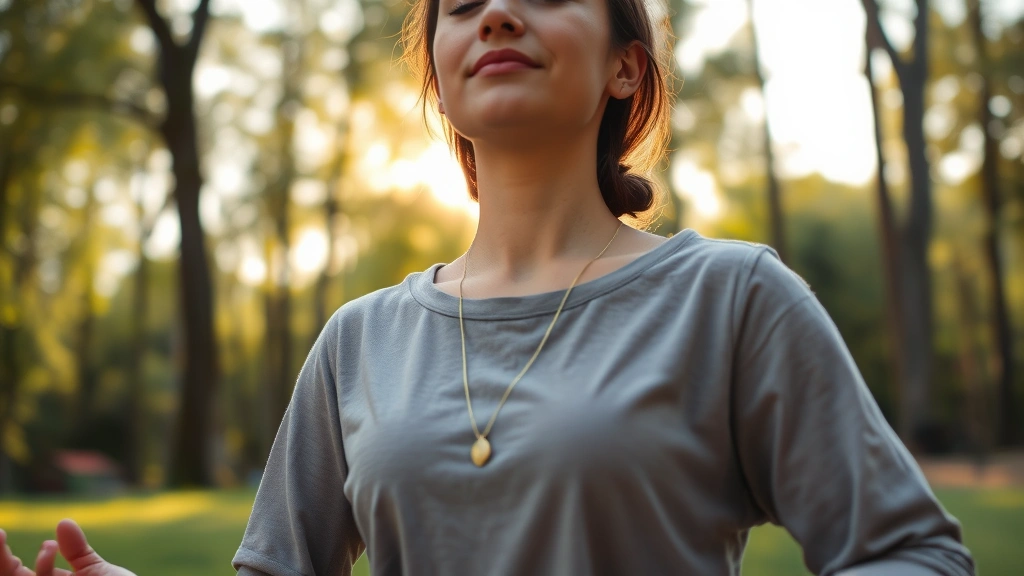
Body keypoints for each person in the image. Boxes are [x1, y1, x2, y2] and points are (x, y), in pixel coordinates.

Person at [2, 0, 976, 574]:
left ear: (626, 70)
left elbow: (912, 554)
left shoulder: (730, 299)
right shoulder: (357, 340)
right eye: (460, 3)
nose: (496, 11)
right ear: (440, 73)